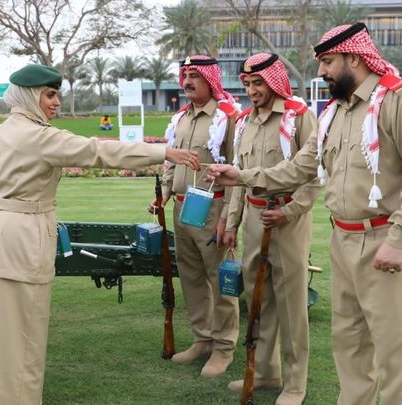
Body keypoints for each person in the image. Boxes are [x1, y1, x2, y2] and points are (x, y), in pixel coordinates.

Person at [0, 63, 200, 405]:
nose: (56, 102)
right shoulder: (40, 137)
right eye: (49, 94)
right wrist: (163, 152)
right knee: (24, 332)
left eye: (57, 94)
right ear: (30, 96)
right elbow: (100, 151)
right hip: (24, 237)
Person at [207, 23, 402, 405]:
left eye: (328, 62)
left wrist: (397, 241)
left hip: (385, 243)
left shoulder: (393, 102)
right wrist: (242, 176)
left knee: (394, 351)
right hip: (341, 239)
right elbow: (298, 169)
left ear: (355, 57)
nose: (321, 72)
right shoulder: (333, 113)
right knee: (349, 343)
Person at [224, 53, 320, 405]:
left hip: (286, 221)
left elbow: (314, 174)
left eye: (258, 83)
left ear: (274, 81)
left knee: (292, 305)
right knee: (258, 298)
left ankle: (295, 384)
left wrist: (291, 211)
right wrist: (231, 222)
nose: (251, 90)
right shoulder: (245, 121)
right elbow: (239, 176)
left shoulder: (299, 117)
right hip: (253, 217)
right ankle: (265, 372)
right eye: (247, 84)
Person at [150, 55, 240, 378]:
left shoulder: (226, 117)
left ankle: (223, 347)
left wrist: (227, 218)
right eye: (185, 75)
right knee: (190, 277)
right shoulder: (180, 119)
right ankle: (202, 339)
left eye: (194, 76)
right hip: (182, 209)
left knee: (220, 282)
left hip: (213, 208)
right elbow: (171, 163)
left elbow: (236, 171)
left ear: (210, 79)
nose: (187, 82)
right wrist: (162, 195)